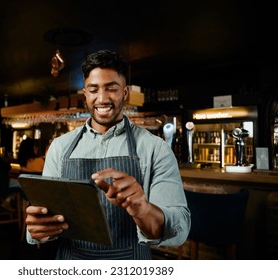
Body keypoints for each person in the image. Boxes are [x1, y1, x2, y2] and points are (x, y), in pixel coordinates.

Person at [25, 50, 191, 260]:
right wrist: (38, 230)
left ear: (125, 93)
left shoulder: (156, 148)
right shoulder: (60, 147)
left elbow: (180, 230)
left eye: (111, 89)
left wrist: (143, 209)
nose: (102, 99)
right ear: (85, 93)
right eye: (93, 90)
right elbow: (46, 220)